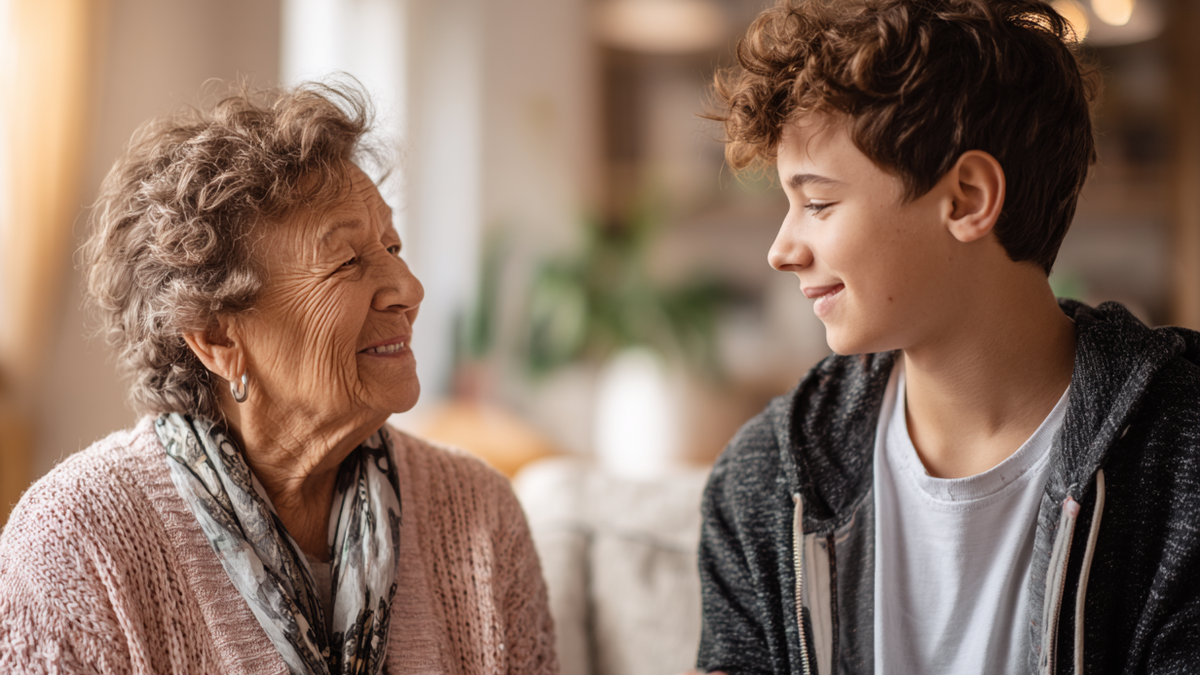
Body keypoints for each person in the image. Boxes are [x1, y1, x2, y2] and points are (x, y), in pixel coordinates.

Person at [696, 1, 1200, 674]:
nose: (781, 250)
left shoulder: (1182, 458)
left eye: (817, 202)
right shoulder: (764, 481)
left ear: (965, 199)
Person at [0, 82, 558, 675]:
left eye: (392, 245)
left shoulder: (478, 513)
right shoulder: (78, 544)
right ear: (217, 339)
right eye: (346, 260)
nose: (409, 290)